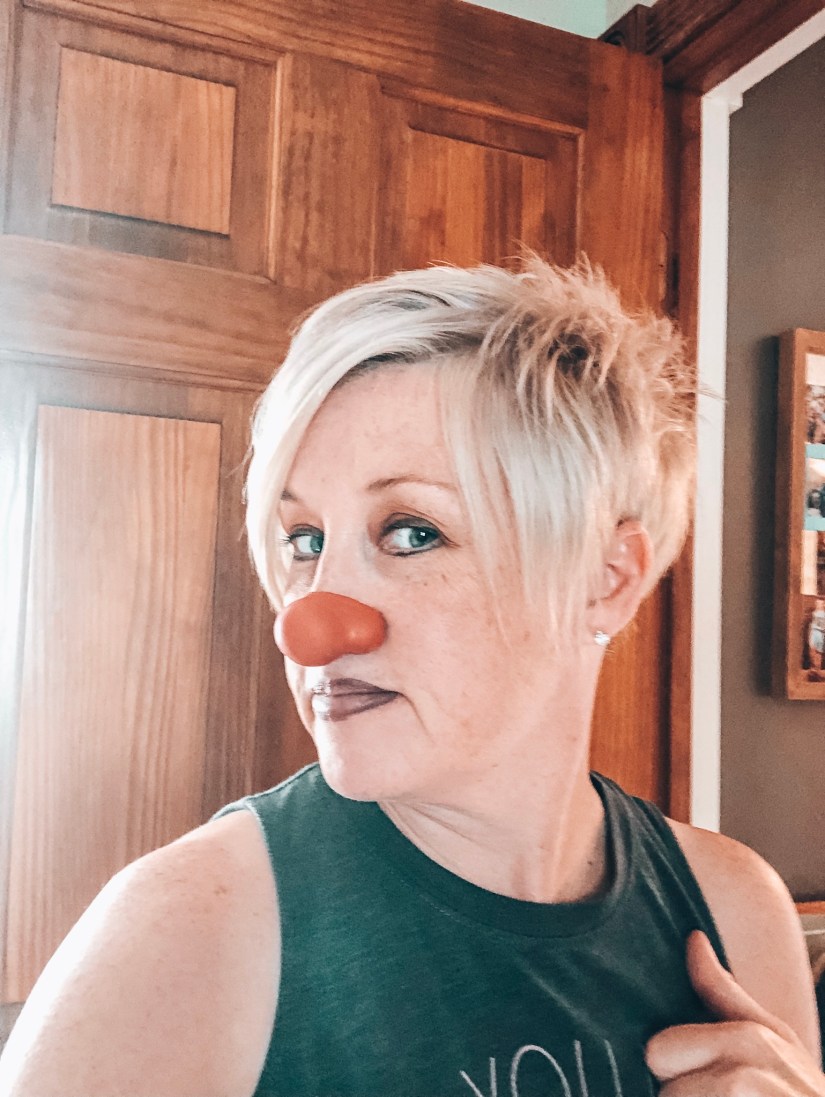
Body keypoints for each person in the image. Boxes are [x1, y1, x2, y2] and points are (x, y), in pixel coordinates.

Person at [1, 258, 822, 1096]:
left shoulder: (734, 911)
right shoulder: (190, 928)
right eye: (305, 540)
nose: (311, 623)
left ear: (606, 577)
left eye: (411, 532)